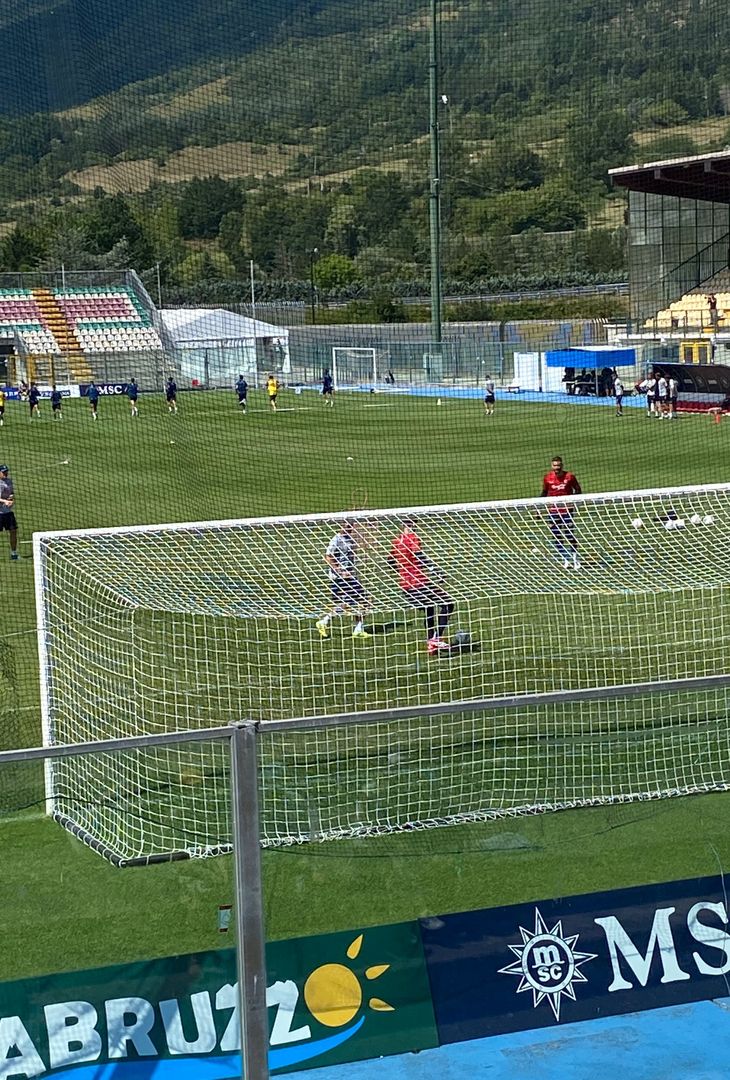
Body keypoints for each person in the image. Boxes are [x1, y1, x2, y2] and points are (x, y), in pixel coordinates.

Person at [389, 518, 455, 653]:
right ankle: (435, 639)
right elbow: (419, 555)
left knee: (429, 607)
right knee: (448, 604)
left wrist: (402, 572)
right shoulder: (413, 538)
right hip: (419, 584)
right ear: (412, 524)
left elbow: (390, 561)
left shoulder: (396, 541)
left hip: (406, 587)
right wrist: (436, 572)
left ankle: (431, 643)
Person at [315, 520, 371, 640]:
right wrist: (340, 571)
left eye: (350, 525)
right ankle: (325, 621)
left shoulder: (351, 539)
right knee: (352, 602)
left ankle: (357, 629)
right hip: (340, 578)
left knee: (362, 601)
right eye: (347, 525)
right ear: (341, 525)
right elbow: (328, 557)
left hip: (350, 576)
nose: (349, 527)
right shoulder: (336, 539)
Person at [540, 456, 582, 570]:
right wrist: (538, 509)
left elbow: (578, 490)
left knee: (569, 534)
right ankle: (565, 559)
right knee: (556, 535)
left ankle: (575, 559)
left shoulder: (569, 477)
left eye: (558, 466)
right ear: (551, 466)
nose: (556, 468)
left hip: (567, 510)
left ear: (562, 466)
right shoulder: (547, 478)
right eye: (554, 465)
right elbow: (544, 493)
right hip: (553, 511)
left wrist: (573, 501)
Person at [0, 463, 18, 561]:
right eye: (3, 472)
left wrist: (11, 501)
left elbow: (11, 494)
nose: (5, 473)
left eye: (6, 472)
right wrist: (5, 501)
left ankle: (14, 553)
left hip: (8, 512)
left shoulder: (9, 481)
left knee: (13, 531)